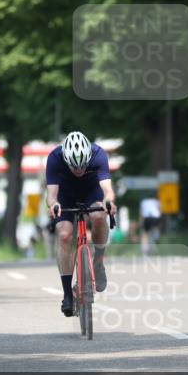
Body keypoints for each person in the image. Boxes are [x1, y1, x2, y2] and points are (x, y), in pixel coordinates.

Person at [46, 131, 117, 317]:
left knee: (100, 216)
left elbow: (107, 190)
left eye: (83, 166)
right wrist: (54, 206)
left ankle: (99, 261)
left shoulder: (99, 154)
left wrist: (109, 202)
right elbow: (52, 196)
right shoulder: (54, 158)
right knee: (64, 234)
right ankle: (67, 294)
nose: (79, 171)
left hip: (91, 192)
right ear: (66, 159)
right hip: (66, 195)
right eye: (74, 167)